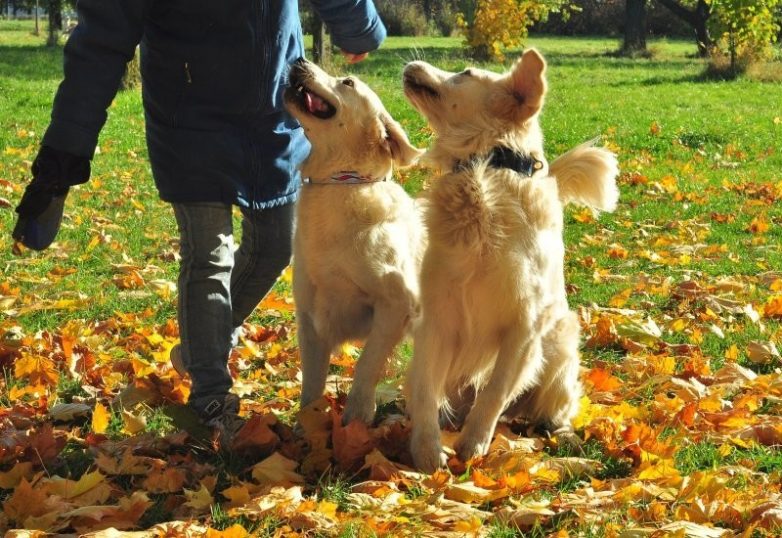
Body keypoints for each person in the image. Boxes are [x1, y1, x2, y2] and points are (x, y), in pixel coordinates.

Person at [12, 0, 386, 443]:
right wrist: (63, 156)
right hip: (188, 117)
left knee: (276, 245)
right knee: (209, 256)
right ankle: (212, 399)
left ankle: (199, 346)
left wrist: (358, 28)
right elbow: (102, 40)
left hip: (274, 110)